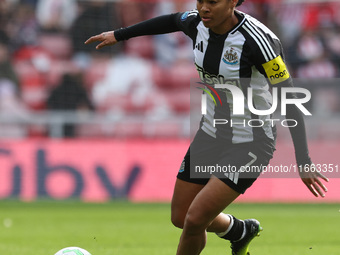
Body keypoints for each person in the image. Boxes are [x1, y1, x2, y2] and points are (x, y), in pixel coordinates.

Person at [85, 0, 329, 254]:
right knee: (180, 217)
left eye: (212, 2)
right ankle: (239, 230)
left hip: (250, 144)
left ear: (233, 2)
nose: (204, 8)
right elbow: (170, 20)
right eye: (200, 0)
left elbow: (289, 99)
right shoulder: (196, 23)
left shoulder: (259, 41)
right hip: (211, 133)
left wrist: (304, 159)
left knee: (195, 220)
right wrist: (119, 35)